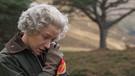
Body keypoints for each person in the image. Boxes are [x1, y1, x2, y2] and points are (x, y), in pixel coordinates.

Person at [0, 2, 69, 76]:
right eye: (45, 37)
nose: (48, 45)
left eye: (52, 40)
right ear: (30, 29)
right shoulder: (6, 60)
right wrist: (50, 68)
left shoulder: (50, 54)